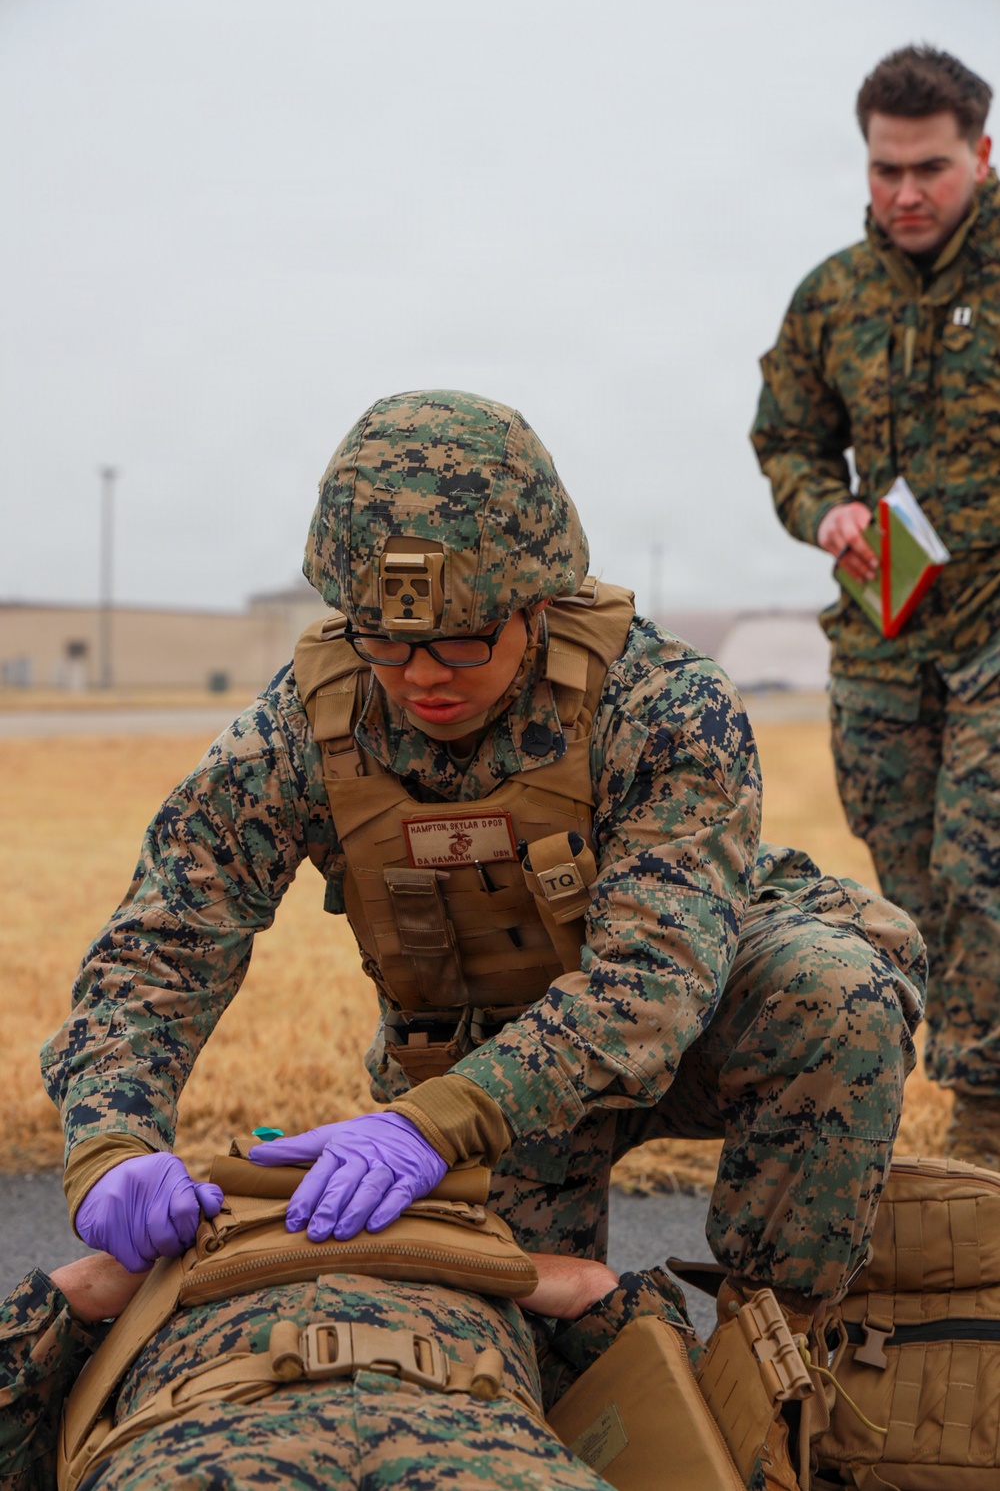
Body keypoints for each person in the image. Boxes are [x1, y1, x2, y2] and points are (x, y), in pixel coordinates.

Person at [41, 389, 925, 1360]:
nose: (422, 676)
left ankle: (774, 1369)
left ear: (537, 606)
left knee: (833, 995)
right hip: (473, 1069)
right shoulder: (304, 725)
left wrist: (428, 1129)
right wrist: (112, 1140)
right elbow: (163, 941)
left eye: (463, 641)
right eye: (382, 639)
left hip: (687, 1019)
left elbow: (650, 992)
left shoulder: (666, 703)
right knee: (501, 1349)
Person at [751, 45, 1000, 1166]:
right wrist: (823, 513)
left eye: (931, 169)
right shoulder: (831, 297)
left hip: (997, 630)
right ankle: (940, 1090)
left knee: (978, 867)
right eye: (885, 168)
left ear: (981, 155)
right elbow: (788, 436)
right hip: (885, 636)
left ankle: (985, 1121)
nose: (905, 192)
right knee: (907, 889)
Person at [0, 1244, 684, 1490]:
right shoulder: (493, 1272)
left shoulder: (143, 1279)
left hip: (205, 1447)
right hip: (480, 1446)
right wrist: (503, 1261)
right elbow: (670, 1401)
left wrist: (77, 1289)